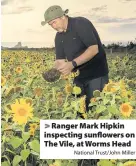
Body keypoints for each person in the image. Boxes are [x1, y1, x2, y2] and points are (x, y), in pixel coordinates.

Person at [41, 5, 109, 112]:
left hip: (96, 75)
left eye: (54, 22)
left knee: (96, 110)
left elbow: (93, 49)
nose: (53, 26)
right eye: (50, 24)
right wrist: (52, 72)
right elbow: (60, 60)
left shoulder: (80, 24)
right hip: (78, 77)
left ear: (63, 16)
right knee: (80, 111)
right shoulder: (59, 37)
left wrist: (72, 64)